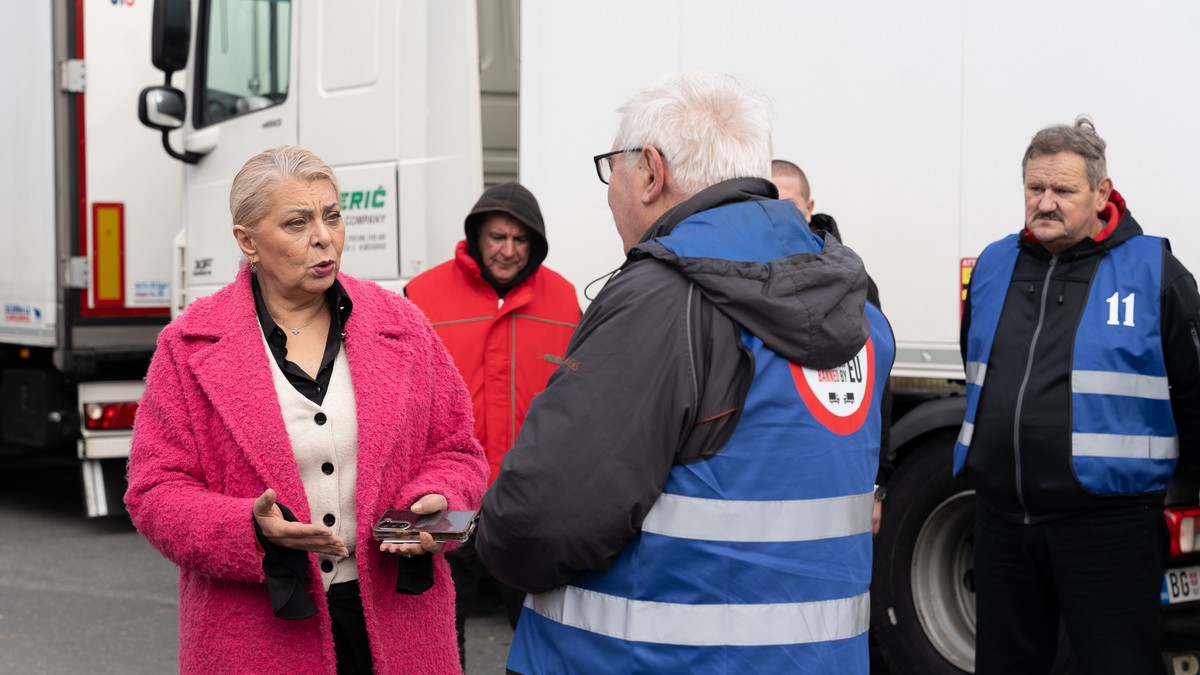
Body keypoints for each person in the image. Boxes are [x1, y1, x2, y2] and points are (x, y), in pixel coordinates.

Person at [476, 72, 895, 673]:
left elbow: (542, 522)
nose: (611, 188)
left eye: (611, 168)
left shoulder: (665, 300)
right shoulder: (857, 305)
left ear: (651, 170)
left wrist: (490, 540)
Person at [125, 146, 487, 674]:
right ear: (247, 241)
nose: (324, 236)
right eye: (297, 222)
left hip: (397, 619)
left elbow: (457, 451)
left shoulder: (402, 324)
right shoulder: (189, 344)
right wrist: (247, 527)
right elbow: (154, 493)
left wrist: (434, 503)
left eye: (333, 215)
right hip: (256, 634)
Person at [957, 117, 1200, 674]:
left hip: (1108, 530)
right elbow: (977, 363)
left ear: (1101, 194)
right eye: (1034, 189)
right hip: (1002, 521)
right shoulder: (994, 265)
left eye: (1063, 191)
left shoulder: (1153, 271)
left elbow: (1193, 388)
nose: (1045, 203)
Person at [404, 182, 579, 666]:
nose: (507, 251)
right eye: (497, 237)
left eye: (520, 240)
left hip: (527, 501)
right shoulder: (422, 295)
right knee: (434, 631)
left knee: (540, 633)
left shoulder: (564, 300)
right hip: (441, 496)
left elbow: (581, 401)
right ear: (476, 236)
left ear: (535, 243)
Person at [772, 158, 892, 534]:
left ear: (810, 209)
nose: (777, 218)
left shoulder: (851, 280)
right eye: (767, 206)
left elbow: (876, 390)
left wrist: (877, 485)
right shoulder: (743, 269)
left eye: (788, 206)